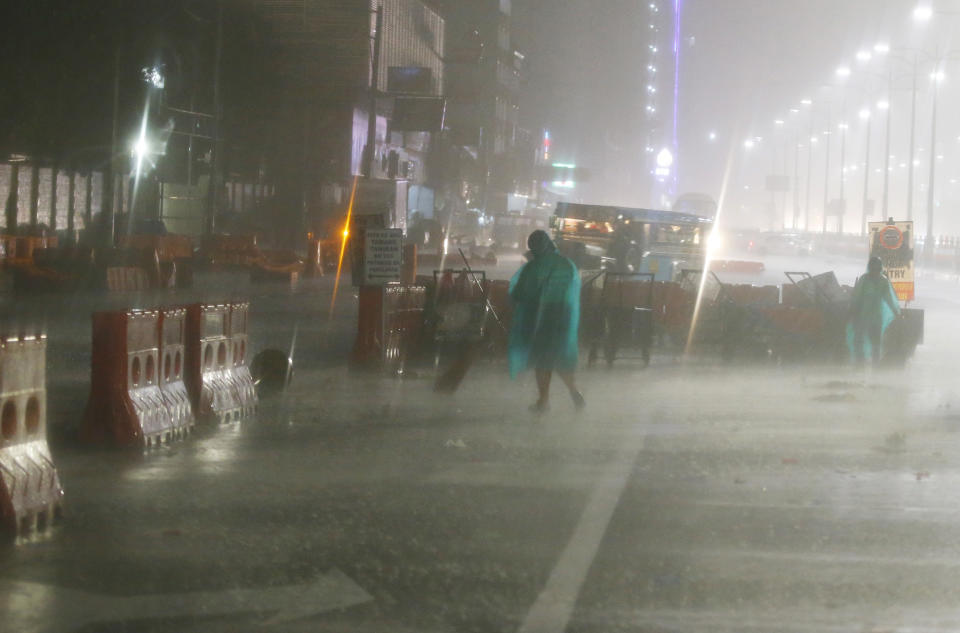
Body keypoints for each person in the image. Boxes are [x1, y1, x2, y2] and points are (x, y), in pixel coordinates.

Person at [508, 230, 585, 412]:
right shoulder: (567, 264)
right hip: (564, 315)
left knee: (543, 359)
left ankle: (543, 401)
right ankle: (574, 390)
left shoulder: (533, 267)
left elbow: (519, 293)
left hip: (542, 316)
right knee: (560, 356)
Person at [847, 256, 901, 365]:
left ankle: (874, 364)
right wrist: (853, 309)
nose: (875, 271)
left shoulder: (883, 282)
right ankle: (861, 362)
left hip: (874, 317)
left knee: (874, 342)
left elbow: (888, 298)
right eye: (873, 268)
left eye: (877, 269)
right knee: (860, 340)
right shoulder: (864, 280)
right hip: (864, 316)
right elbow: (857, 296)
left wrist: (896, 311)